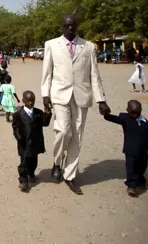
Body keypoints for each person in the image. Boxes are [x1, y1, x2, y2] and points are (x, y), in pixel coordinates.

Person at [41, 14, 109, 195]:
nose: (70, 29)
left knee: (77, 135)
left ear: (77, 26)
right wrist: (45, 95)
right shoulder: (51, 45)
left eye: (73, 26)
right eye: (67, 26)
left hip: (81, 95)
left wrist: (101, 99)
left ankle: (69, 175)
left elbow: (94, 74)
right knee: (63, 131)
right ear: (62, 26)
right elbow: (47, 73)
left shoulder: (88, 47)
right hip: (60, 94)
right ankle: (57, 162)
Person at [104, 100, 148, 197]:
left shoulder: (145, 122)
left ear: (141, 110)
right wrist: (106, 115)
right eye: (132, 113)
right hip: (130, 151)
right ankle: (131, 186)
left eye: (138, 113)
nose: (135, 115)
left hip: (143, 151)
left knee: (142, 166)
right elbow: (114, 118)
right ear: (127, 110)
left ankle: (140, 180)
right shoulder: (125, 119)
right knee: (131, 168)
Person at [12, 90, 52, 192]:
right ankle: (23, 180)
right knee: (24, 162)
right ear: (23, 100)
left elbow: (45, 123)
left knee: (33, 161)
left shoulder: (38, 113)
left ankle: (31, 174)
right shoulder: (18, 114)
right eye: (28, 101)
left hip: (35, 142)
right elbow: (15, 127)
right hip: (24, 143)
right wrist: (19, 137)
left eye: (32, 100)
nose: (31, 103)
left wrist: (47, 114)